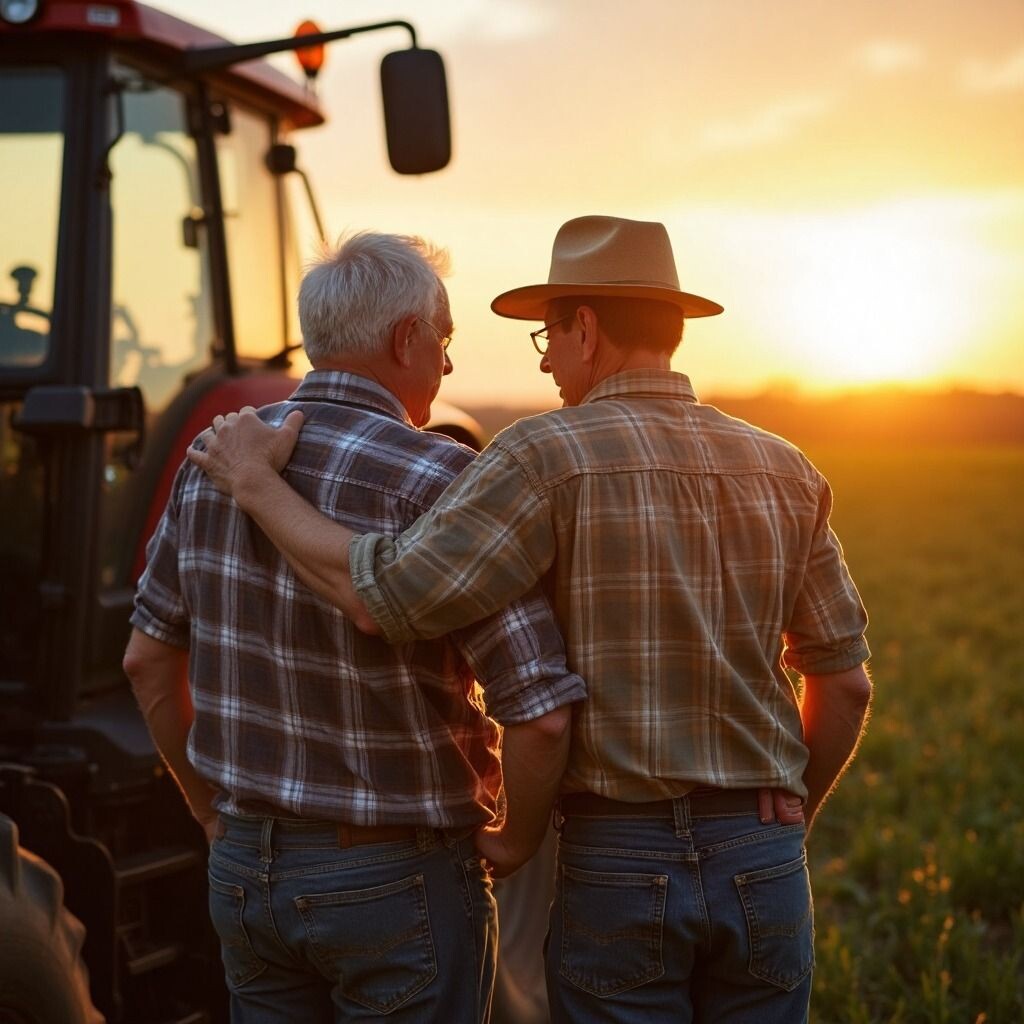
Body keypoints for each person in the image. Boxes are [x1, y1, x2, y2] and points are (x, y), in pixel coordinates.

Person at [191, 215, 872, 1023]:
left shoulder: (541, 456)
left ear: (586, 327)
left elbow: (392, 596)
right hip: (763, 856)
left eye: (547, 333)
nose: (545, 357)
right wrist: (792, 817)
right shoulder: (786, 469)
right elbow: (847, 685)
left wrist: (260, 489)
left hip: (619, 858)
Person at [123, 231, 586, 1023]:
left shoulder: (214, 465)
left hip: (246, 871)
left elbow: (144, 660)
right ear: (406, 338)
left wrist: (208, 812)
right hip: (398, 878)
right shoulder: (444, 479)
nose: (447, 365)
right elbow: (539, 716)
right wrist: (514, 840)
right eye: (442, 341)